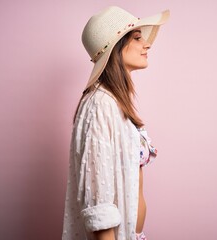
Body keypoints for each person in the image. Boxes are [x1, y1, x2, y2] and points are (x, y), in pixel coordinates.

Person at [62, 6, 169, 240]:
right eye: (137, 38)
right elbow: (99, 206)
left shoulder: (117, 102)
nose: (147, 45)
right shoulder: (100, 105)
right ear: (116, 47)